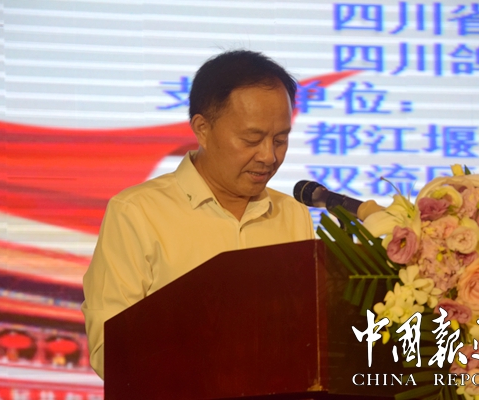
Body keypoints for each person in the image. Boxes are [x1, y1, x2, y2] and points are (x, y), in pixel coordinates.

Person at [81, 50, 314, 379]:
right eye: (252, 139)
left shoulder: (292, 215)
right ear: (202, 128)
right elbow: (108, 349)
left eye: (280, 139)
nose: (269, 156)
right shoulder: (137, 213)